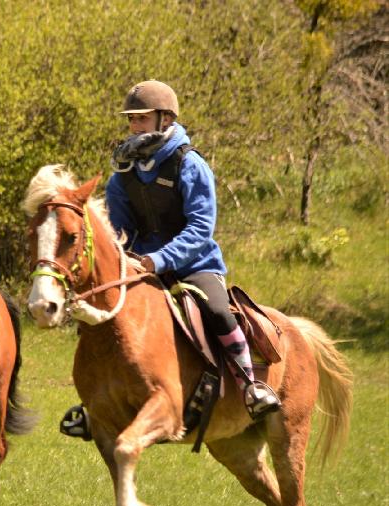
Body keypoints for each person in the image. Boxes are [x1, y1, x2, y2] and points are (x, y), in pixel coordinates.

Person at [60, 80, 280, 435]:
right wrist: (127, 258)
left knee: (219, 312)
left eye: (142, 120)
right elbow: (120, 233)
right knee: (100, 315)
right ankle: (97, 404)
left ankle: (250, 385)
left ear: (165, 119)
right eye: (131, 120)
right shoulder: (123, 177)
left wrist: (159, 260)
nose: (134, 127)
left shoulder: (190, 165)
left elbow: (200, 228)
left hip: (195, 265)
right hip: (142, 267)